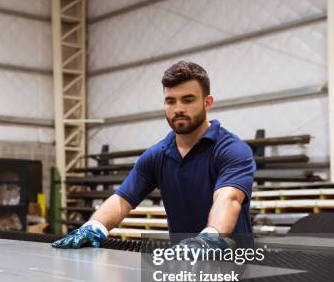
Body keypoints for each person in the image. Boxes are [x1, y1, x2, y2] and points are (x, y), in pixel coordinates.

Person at [52, 61, 255, 249]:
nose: (178, 109)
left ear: (207, 102)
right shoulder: (157, 156)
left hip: (236, 271)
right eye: (170, 101)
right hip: (184, 264)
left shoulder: (232, 150)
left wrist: (211, 237)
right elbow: (122, 199)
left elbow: (229, 199)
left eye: (188, 100)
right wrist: (95, 225)